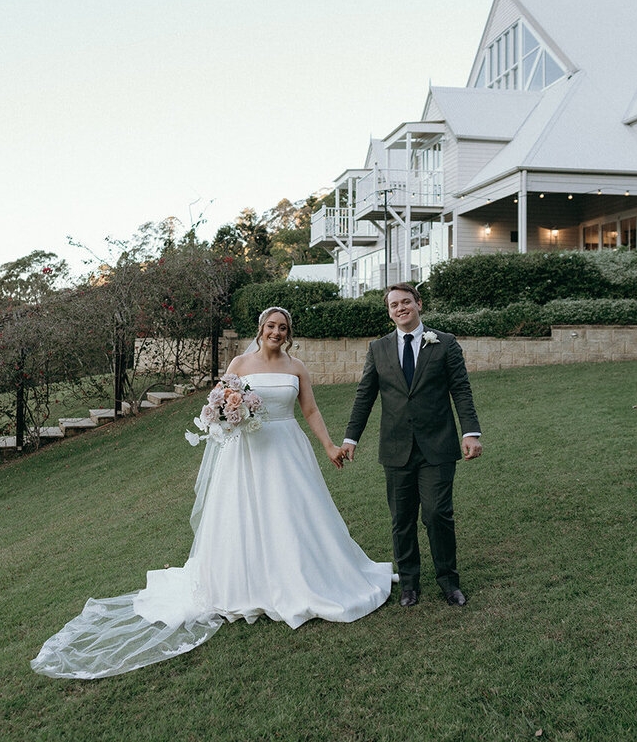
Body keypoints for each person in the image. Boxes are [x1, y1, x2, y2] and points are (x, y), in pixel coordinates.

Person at [31, 306, 393, 679]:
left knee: (293, 514)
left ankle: (300, 576)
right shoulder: (239, 362)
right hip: (246, 453)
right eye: (271, 326)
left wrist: (329, 445)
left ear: (288, 333)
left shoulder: (296, 367)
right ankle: (245, 581)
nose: (277, 332)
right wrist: (230, 414)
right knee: (242, 515)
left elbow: (311, 410)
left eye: (283, 328)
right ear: (261, 328)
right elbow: (215, 406)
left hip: (287, 449)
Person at [341, 283, 482, 608]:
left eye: (406, 302)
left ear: (419, 304)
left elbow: (461, 389)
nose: (401, 308)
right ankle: (409, 585)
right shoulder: (378, 349)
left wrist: (470, 432)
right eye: (394, 305)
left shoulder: (444, 343)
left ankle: (449, 581)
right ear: (389, 311)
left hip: (438, 445)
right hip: (395, 448)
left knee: (437, 514)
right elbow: (366, 394)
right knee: (401, 518)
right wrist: (351, 437)